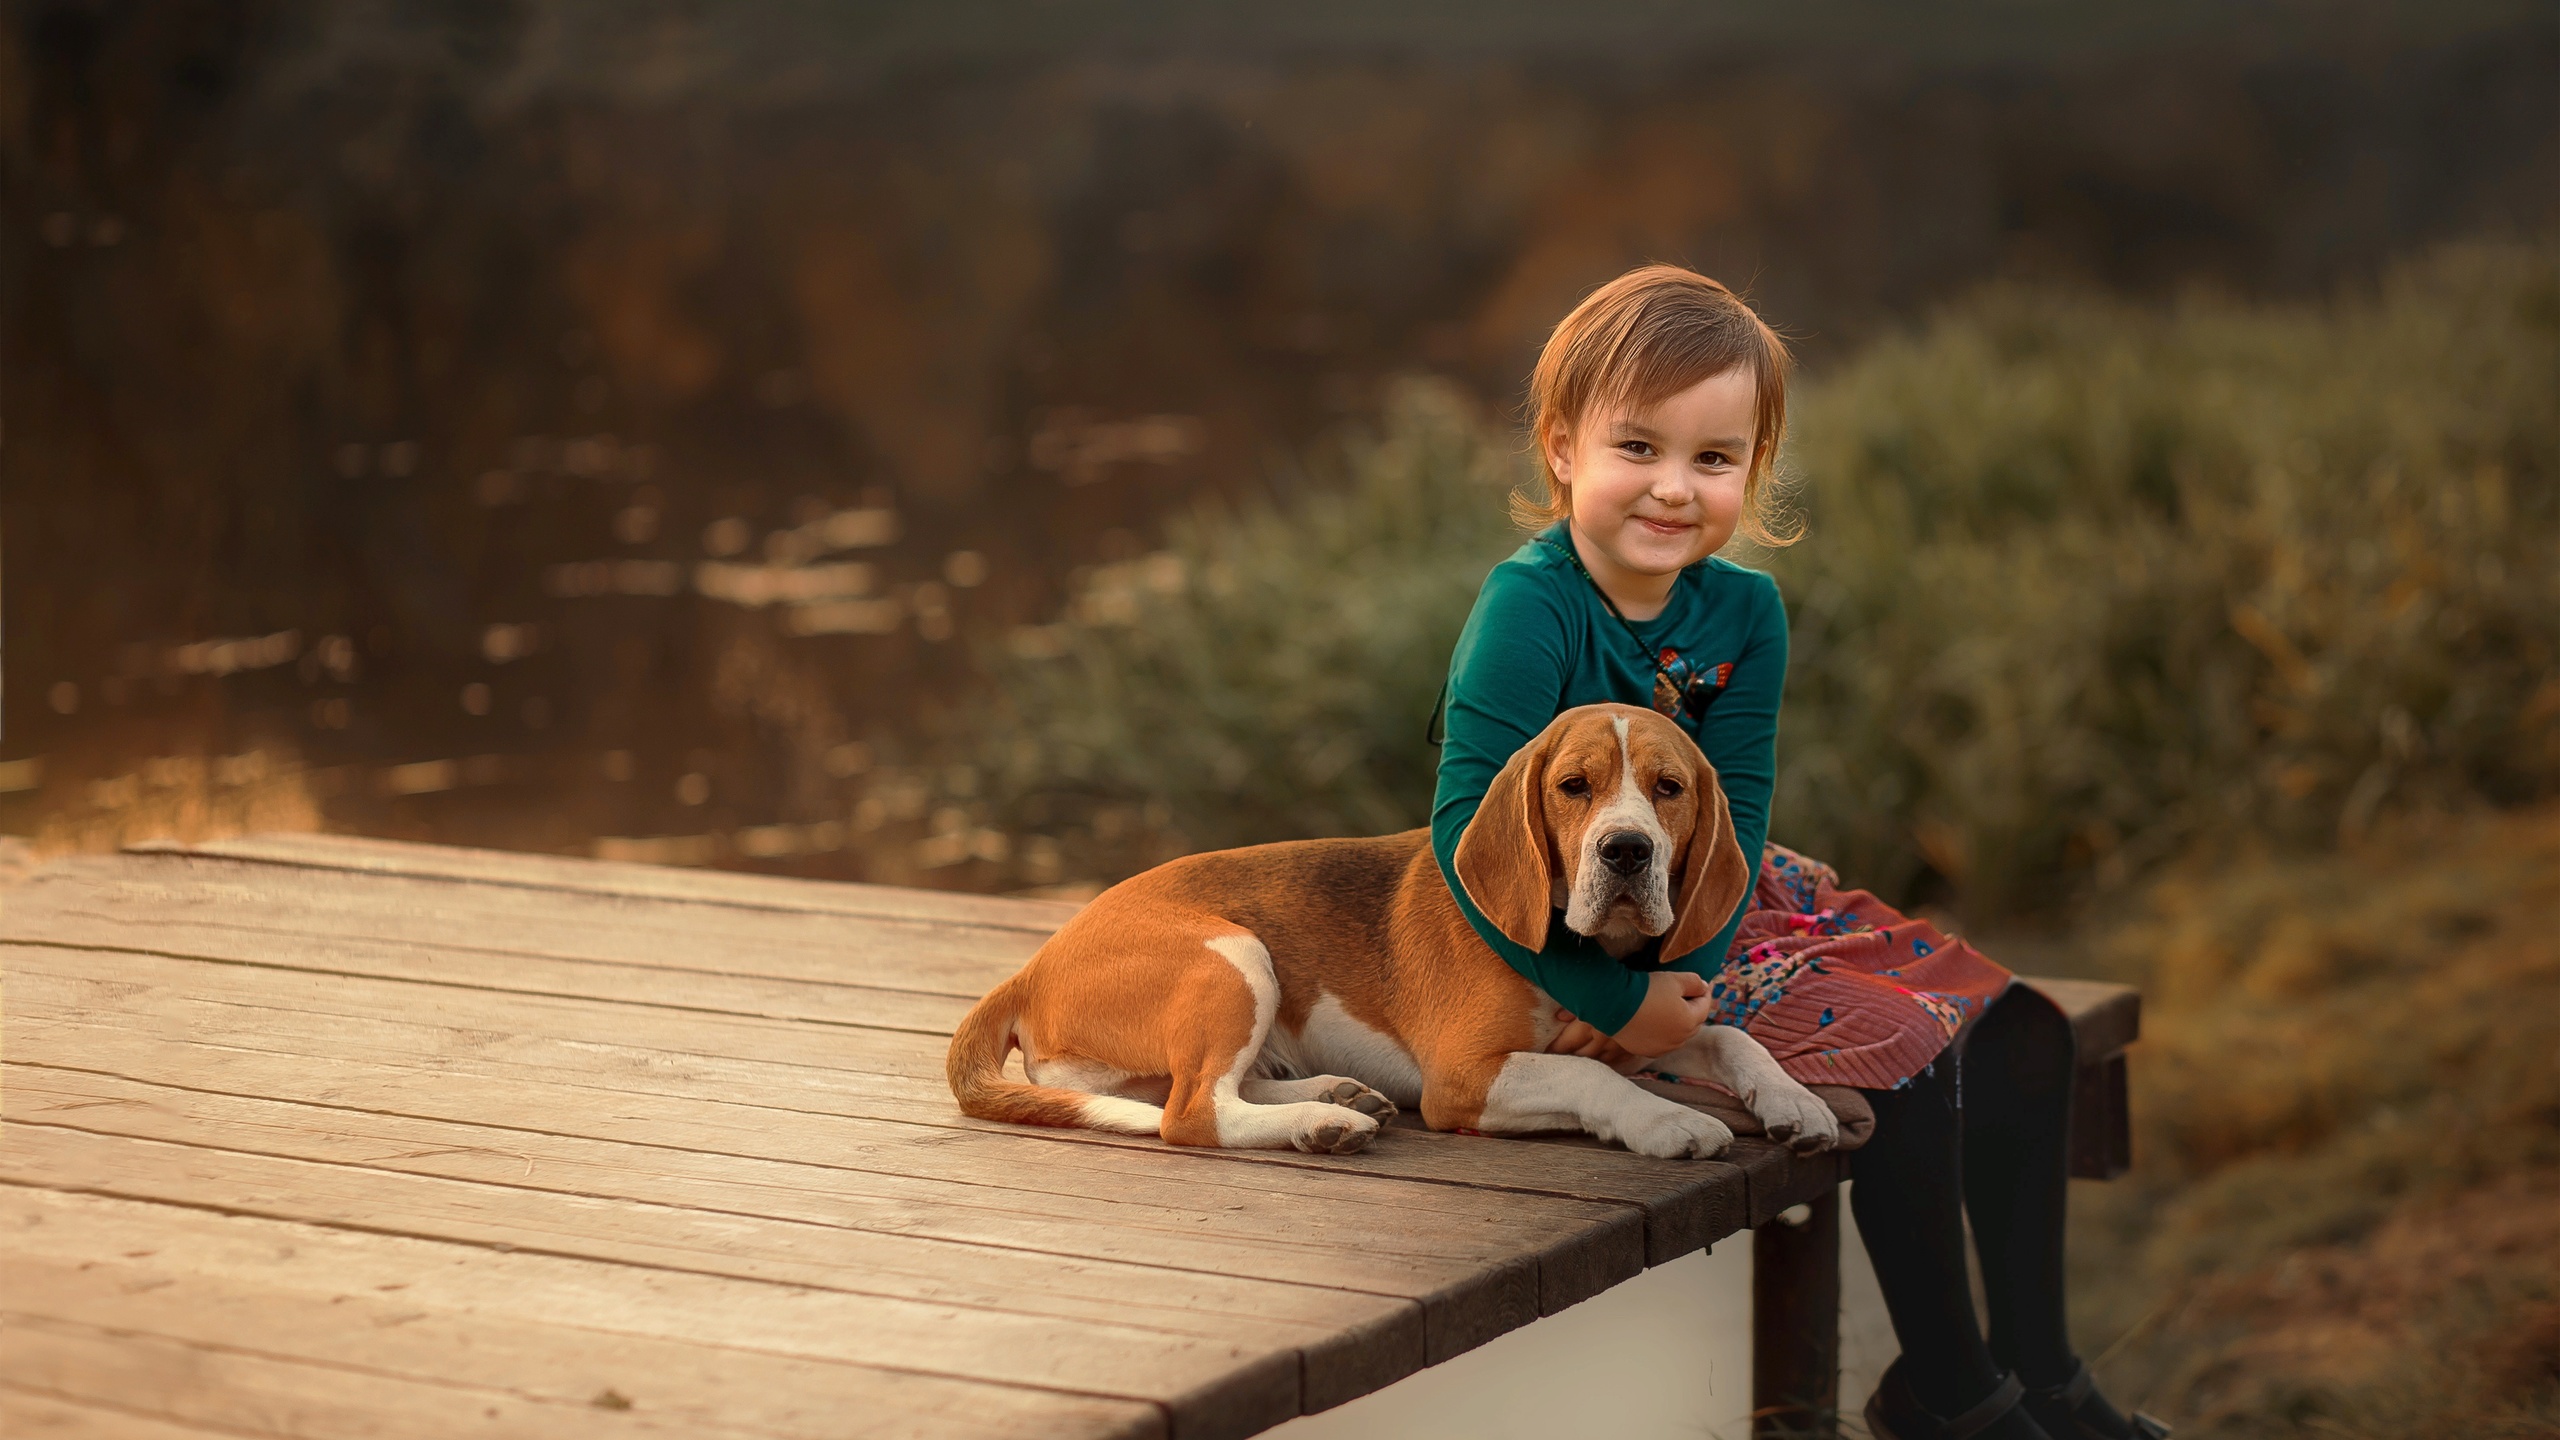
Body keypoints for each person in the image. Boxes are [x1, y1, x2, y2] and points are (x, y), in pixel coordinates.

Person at [1429, 265, 2165, 1440]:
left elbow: (1745, 808)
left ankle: (2048, 1376)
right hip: (1556, 937)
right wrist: (1622, 1006)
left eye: (1714, 459)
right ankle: (1956, 1399)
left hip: (1727, 901)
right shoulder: (1528, 612)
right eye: (1638, 447)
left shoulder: (1747, 614)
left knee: (2023, 1028)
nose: (1675, 490)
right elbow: (1460, 836)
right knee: (1898, 1050)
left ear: (1753, 468)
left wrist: (1705, 969)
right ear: (1560, 449)